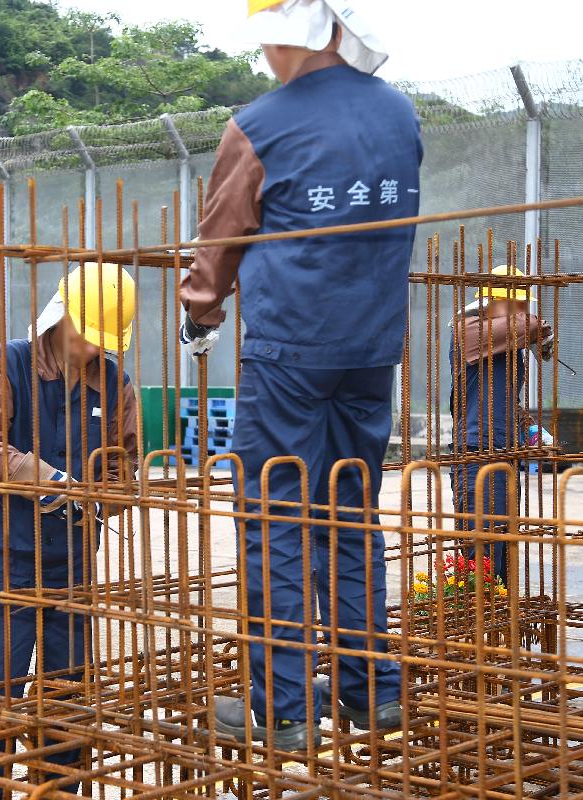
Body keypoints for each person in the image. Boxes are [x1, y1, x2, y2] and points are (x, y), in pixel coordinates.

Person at [179, 0, 423, 749]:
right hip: (370, 351)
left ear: (286, 38)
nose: (264, 61)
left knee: (275, 520)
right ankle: (370, 692)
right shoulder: (399, 116)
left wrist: (200, 311)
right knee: (351, 515)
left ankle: (280, 709)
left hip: (288, 352)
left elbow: (220, 239)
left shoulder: (260, 124)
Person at [0, 263, 138, 798]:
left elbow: (124, 465)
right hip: (6, 556)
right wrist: (44, 477)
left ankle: (57, 790)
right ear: (60, 318)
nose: (90, 350)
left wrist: (107, 494)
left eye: (101, 341)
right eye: (84, 336)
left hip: (73, 562)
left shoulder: (114, 382)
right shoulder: (7, 365)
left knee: (69, 692)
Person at [449, 264, 553, 583]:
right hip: (477, 455)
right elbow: (530, 324)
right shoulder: (468, 328)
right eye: (518, 302)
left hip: (505, 453)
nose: (523, 309)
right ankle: (473, 626)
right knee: (483, 556)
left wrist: (530, 429)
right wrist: (540, 331)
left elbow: (504, 396)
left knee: (503, 555)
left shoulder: (505, 344)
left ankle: (496, 628)